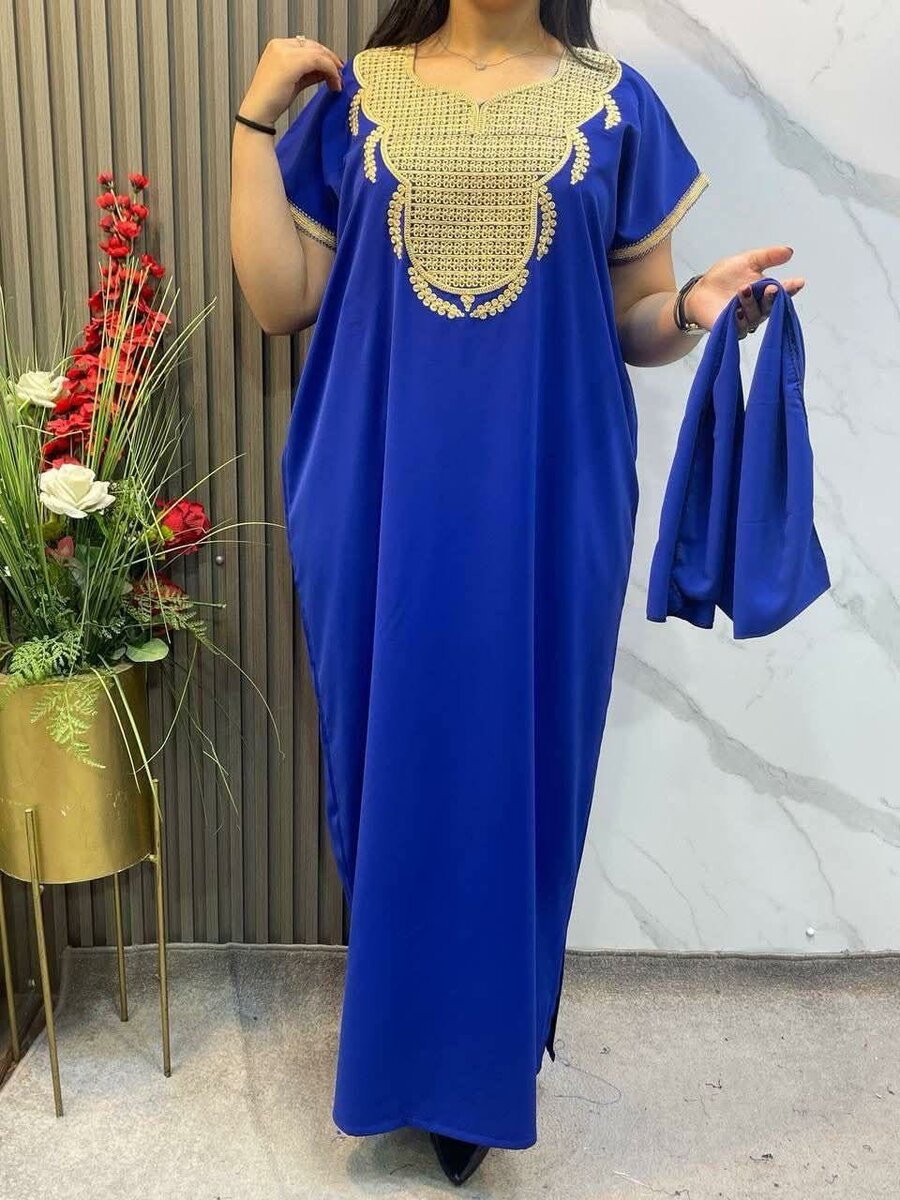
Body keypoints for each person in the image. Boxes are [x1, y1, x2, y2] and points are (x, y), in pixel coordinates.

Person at [230, 0, 805, 1187]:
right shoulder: (358, 98)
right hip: (381, 489)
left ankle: (485, 1070)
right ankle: (407, 1060)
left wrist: (694, 307)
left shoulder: (616, 106)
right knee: (396, 763)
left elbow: (634, 314)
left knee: (523, 764)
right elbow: (283, 298)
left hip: (548, 489)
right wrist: (253, 123)